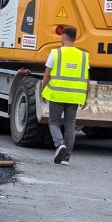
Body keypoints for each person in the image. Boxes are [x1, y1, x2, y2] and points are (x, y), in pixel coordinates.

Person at [42, 26, 89, 165]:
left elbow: (47, 75)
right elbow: (87, 79)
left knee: (54, 122)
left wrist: (44, 91)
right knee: (70, 125)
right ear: (75, 38)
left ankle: (59, 144)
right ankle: (66, 157)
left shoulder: (56, 53)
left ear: (63, 37)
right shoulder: (83, 55)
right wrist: (85, 96)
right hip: (75, 96)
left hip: (57, 94)